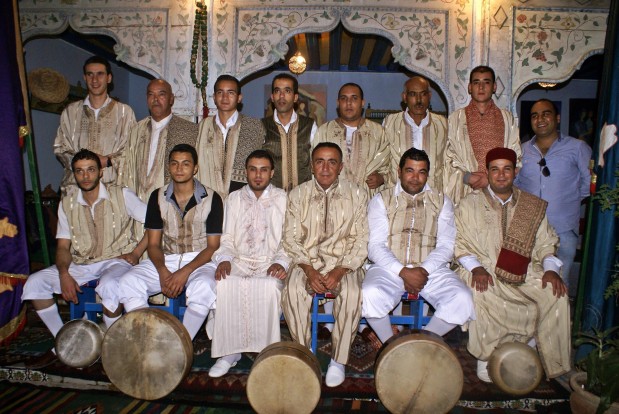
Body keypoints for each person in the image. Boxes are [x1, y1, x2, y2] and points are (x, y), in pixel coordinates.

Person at [22, 149, 147, 368]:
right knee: (35, 282)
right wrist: (63, 274)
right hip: (81, 263)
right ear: (74, 174)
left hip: (115, 259)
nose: (86, 176)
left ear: (100, 172)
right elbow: (63, 246)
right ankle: (64, 342)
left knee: (110, 285)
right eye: (79, 171)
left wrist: (136, 253)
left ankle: (114, 347)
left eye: (90, 170)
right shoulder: (67, 203)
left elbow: (154, 223)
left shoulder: (121, 194)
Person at [455, 147, 571, 382]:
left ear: (515, 172)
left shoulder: (531, 205)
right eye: (495, 169)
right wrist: (476, 268)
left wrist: (551, 271)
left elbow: (547, 243)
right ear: (487, 172)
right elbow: (459, 243)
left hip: (525, 271)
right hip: (482, 269)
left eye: (506, 169)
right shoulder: (469, 204)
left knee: (555, 293)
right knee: (482, 291)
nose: (501, 175)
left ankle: (530, 348)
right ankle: (486, 356)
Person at [362, 148, 475, 344]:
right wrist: (403, 271)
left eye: (421, 172)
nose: (415, 178)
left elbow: (446, 245)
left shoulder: (442, 202)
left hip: (430, 269)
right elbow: (375, 246)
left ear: (428, 174)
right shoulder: (381, 200)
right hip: (389, 268)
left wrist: (423, 270)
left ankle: (419, 343)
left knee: (462, 298)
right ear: (399, 171)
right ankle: (391, 344)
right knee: (369, 294)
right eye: (410, 170)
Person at [281, 142, 368, 388]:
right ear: (312, 165)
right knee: (292, 291)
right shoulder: (297, 195)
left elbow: (361, 239)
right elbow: (290, 237)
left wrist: (341, 269)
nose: (326, 167)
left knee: (352, 292)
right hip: (306, 262)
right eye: (320, 161)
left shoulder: (358, 195)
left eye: (332, 162)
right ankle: (305, 353)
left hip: (344, 262)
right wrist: (308, 269)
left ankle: (338, 360)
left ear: (341, 167)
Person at [119, 144, 224, 347]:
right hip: (166, 258)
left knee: (204, 286)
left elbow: (212, 247)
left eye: (186, 164)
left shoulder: (212, 198)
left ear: (195, 168)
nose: (179, 169)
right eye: (174, 163)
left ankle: (180, 345)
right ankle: (147, 341)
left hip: (200, 260)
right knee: (128, 281)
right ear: (169, 167)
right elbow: (154, 243)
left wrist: (184, 272)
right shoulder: (157, 197)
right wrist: (162, 270)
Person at [206, 150, 290, 377]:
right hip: (239, 259)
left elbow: (289, 240)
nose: (258, 175)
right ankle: (229, 353)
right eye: (253, 169)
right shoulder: (234, 198)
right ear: (246, 172)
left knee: (269, 286)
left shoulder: (283, 198)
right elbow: (227, 238)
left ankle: (266, 353)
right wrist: (224, 259)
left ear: (272, 173)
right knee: (225, 283)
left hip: (269, 261)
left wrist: (281, 262)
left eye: (264, 169)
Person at [514, 99, 591, 289]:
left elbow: (588, 183)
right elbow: (516, 185)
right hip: (529, 230)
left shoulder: (577, 148)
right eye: (534, 115)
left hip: (563, 230)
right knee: (528, 285)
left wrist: (567, 201)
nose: (540, 119)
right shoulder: (521, 150)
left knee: (559, 286)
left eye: (545, 113)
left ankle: (558, 319)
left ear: (557, 118)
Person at [54, 56, 136, 195]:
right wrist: (86, 164)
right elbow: (60, 148)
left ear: (109, 78)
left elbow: (133, 150)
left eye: (100, 74)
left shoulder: (124, 112)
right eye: (90, 74)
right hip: (76, 188)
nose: (95, 80)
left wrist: (108, 160)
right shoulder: (70, 112)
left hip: (113, 188)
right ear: (85, 78)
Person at [444, 66, 521, 204]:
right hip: (465, 190)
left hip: (498, 190)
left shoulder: (507, 118)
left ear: (494, 87)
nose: (481, 87)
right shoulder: (455, 118)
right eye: (476, 82)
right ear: (469, 87)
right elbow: (446, 157)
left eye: (486, 82)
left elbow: (516, 156)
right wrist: (468, 177)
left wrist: (490, 178)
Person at [121, 79, 199, 203]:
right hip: (137, 205)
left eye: (161, 94)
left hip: (173, 205)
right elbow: (126, 168)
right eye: (151, 94)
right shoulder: (136, 130)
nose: (155, 99)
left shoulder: (189, 130)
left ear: (171, 99)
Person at [312, 83, 390, 195]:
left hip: (368, 199)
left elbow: (390, 165)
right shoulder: (324, 131)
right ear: (338, 103)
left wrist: (382, 178)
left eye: (354, 98)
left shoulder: (377, 132)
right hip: (334, 199)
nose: (349, 103)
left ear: (362, 103)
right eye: (344, 99)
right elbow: (314, 166)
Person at [196, 75, 266, 198]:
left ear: (239, 98)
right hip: (207, 201)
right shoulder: (202, 127)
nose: (225, 98)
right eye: (220, 92)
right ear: (214, 97)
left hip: (242, 201)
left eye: (230, 93)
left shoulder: (254, 127)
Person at [383, 76, 448, 192]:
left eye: (423, 94)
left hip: (433, 195)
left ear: (429, 96)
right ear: (404, 97)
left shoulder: (443, 124)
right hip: (398, 195)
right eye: (413, 94)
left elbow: (449, 162)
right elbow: (382, 159)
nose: (418, 100)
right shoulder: (390, 123)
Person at [262, 73, 317, 191]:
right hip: (271, 199)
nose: (281, 96)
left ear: (295, 97)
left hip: (304, 198)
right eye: (277, 91)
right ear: (272, 97)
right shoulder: (261, 126)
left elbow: (316, 163)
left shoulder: (310, 125)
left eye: (287, 91)